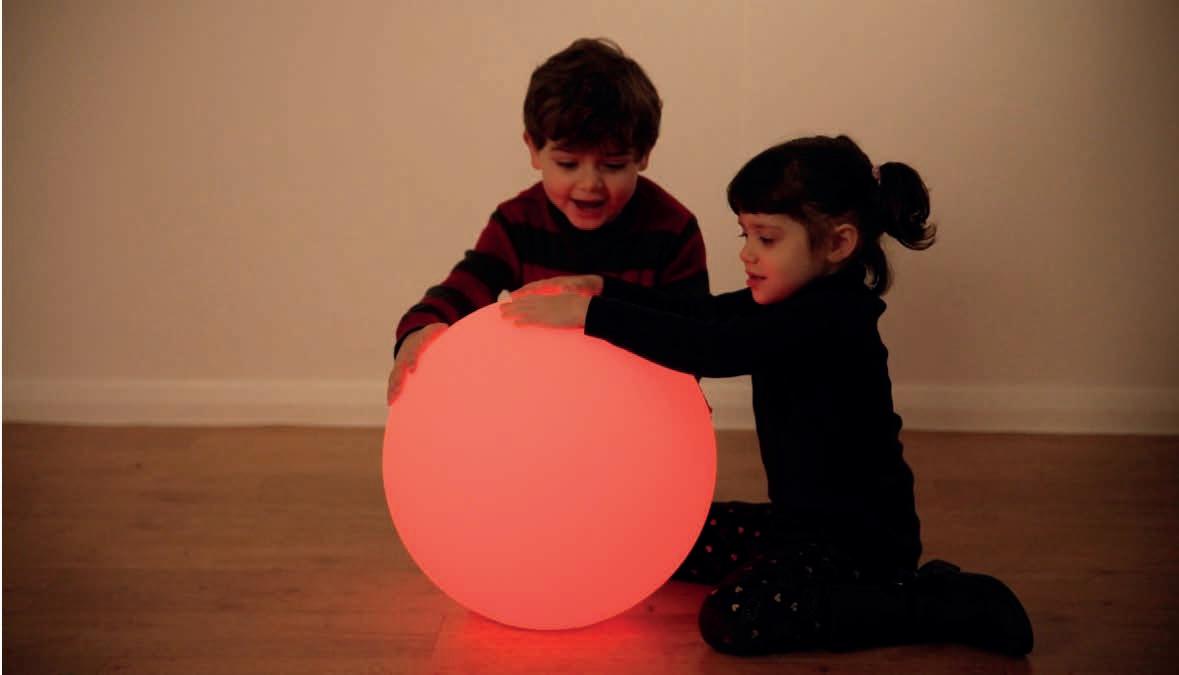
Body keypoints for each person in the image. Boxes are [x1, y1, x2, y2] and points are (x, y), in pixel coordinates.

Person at [500, 135, 1034, 657]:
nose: (747, 253)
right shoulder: (788, 300)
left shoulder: (831, 318)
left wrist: (594, 316)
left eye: (767, 239)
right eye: (745, 234)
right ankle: (815, 574)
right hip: (798, 523)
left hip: (859, 546)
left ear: (838, 244)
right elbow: (704, 314)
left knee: (732, 618)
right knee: (667, 533)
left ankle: (937, 601)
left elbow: (711, 347)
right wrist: (604, 288)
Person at [387, 37, 709, 404]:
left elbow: (695, 334)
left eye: (613, 165)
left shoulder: (672, 229)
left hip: (640, 399)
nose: (589, 184)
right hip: (541, 397)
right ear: (533, 149)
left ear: (644, 154)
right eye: (568, 164)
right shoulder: (517, 222)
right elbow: (464, 288)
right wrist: (421, 328)